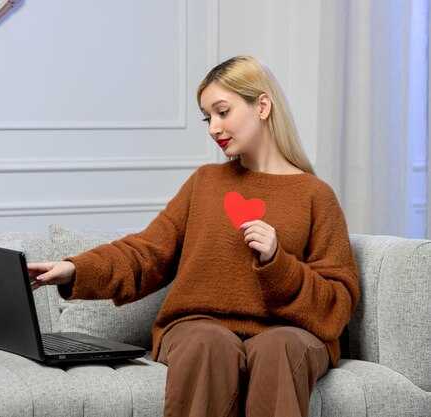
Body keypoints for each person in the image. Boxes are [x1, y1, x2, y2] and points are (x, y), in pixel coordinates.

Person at [27, 55, 361, 417]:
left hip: (287, 332)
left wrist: (277, 263)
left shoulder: (315, 195)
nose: (214, 128)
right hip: (198, 328)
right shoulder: (205, 183)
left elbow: (337, 305)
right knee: (207, 343)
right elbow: (145, 253)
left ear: (262, 106)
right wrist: (76, 270)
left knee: (279, 347)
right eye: (207, 117)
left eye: (223, 112)